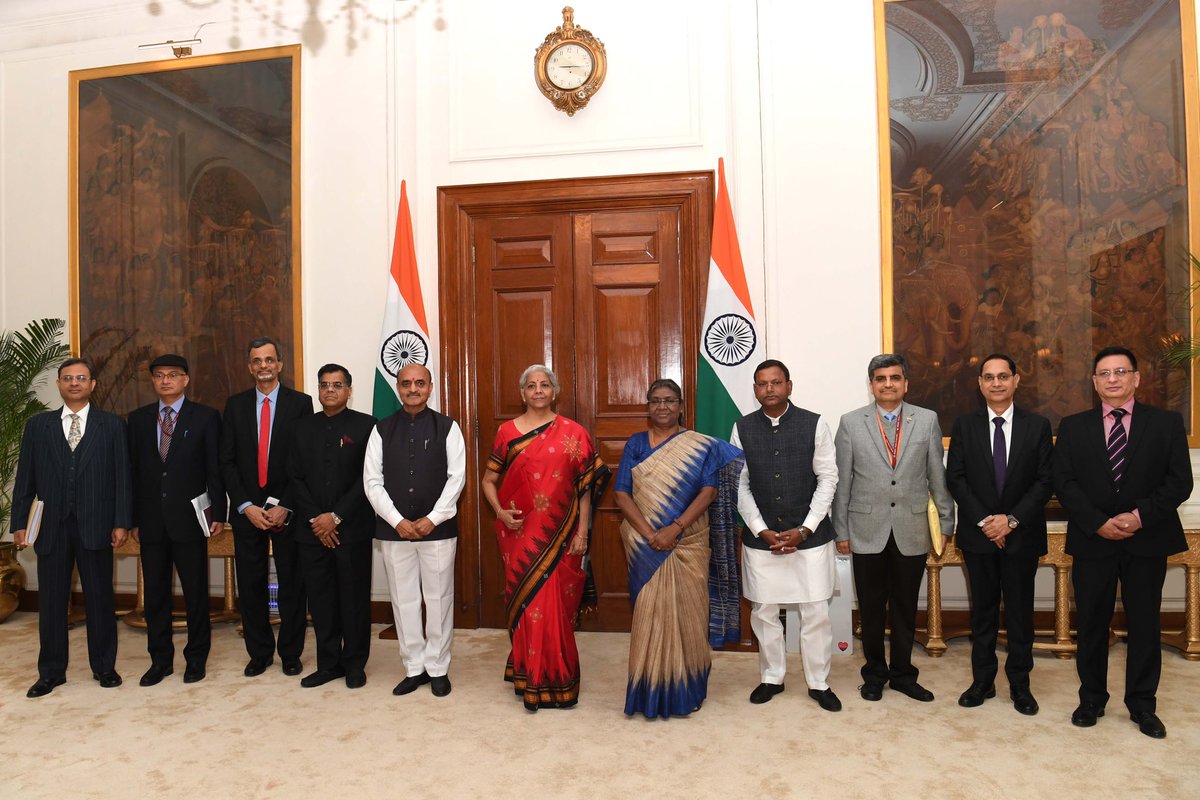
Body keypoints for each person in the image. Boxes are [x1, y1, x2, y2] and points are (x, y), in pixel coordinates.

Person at [1053, 346, 1191, 739]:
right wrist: (1097, 522)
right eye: (1104, 373)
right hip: (1093, 541)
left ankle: (1143, 705)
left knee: (1145, 624)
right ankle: (1091, 699)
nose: (1112, 379)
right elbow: (1063, 482)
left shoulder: (1165, 424)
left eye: (1120, 371)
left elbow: (1179, 482)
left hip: (1146, 540)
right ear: (1094, 382)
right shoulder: (1073, 426)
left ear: (1136, 378)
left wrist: (1139, 516)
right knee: (1092, 624)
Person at [481, 364, 609, 711]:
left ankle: (558, 678)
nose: (538, 390)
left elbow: (585, 488)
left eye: (544, 385)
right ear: (522, 393)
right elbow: (488, 481)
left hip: (564, 535)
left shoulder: (573, 432)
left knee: (557, 608)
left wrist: (582, 532)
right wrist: (500, 512)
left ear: (554, 392)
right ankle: (530, 676)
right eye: (531, 386)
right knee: (529, 605)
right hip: (521, 535)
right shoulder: (507, 432)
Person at [613, 378, 743, 719]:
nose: (663, 407)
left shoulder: (699, 446)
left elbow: (708, 491)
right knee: (649, 615)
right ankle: (648, 691)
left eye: (669, 400)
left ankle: (688, 689)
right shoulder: (636, 444)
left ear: (681, 406)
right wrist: (651, 534)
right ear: (648, 406)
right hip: (645, 545)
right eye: (656, 401)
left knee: (690, 614)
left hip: (689, 541)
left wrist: (675, 528)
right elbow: (622, 493)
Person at [832, 353, 954, 702]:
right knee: (871, 609)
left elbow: (937, 475)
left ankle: (903, 674)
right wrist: (841, 530)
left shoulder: (926, 420)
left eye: (895, 378)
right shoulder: (851, 423)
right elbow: (843, 482)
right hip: (865, 528)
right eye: (881, 378)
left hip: (912, 528)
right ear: (871, 385)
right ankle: (874, 675)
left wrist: (946, 521)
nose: (888, 384)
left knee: (905, 606)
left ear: (906, 383)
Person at [11, 357, 132, 697]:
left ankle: (104, 667)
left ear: (93, 385)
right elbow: (25, 479)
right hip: (52, 528)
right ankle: (51, 672)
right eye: (68, 378)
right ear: (59, 384)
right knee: (51, 601)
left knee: (100, 599)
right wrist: (19, 523)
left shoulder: (112, 426)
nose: (74, 383)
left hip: (97, 525)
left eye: (81, 378)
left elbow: (123, 477)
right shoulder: (38, 426)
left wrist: (122, 522)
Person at [730, 359, 842, 712]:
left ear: (789, 386)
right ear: (755, 389)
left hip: (810, 536)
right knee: (764, 611)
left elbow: (828, 478)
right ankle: (772, 677)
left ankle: (818, 682)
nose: (769, 389)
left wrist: (806, 528)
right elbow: (739, 484)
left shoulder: (814, 423)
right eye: (762, 384)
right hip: (761, 538)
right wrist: (760, 528)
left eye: (776, 382)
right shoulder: (741, 428)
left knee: (815, 612)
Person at [945, 353, 1052, 715]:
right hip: (979, 536)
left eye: (1003, 376)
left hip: (1022, 535)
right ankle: (983, 682)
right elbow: (956, 478)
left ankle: (1021, 685)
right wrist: (987, 521)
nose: (996, 383)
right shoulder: (965, 426)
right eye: (989, 377)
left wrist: (1011, 520)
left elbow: (1045, 481)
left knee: (1021, 614)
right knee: (983, 613)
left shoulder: (1037, 426)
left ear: (1016, 380)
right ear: (980, 384)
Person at [364, 363, 465, 697]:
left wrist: (433, 518)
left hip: (438, 530)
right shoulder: (381, 429)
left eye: (419, 383)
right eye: (406, 383)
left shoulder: (448, 427)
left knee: (438, 599)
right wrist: (397, 520)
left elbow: (457, 478)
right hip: (395, 531)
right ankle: (413, 667)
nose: (413, 388)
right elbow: (372, 481)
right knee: (403, 600)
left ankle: (437, 667)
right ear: (398, 387)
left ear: (430, 387)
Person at [128, 353, 226, 686]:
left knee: (196, 593)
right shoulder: (138, 419)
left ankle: (196, 659)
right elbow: (133, 473)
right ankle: (160, 661)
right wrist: (133, 519)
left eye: (172, 374)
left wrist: (218, 513)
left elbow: (214, 468)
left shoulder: (206, 417)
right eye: (159, 375)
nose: (165, 380)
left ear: (185, 379)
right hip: (151, 522)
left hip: (190, 520)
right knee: (155, 596)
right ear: (153, 381)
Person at [219, 336, 313, 678]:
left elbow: (303, 460)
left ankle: (290, 653)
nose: (264, 366)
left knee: (292, 583)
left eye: (269, 359)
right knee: (251, 584)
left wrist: (286, 505)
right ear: (250, 367)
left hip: (287, 510)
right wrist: (245, 505)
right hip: (248, 512)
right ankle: (259, 654)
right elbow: (227, 461)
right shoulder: (235, 405)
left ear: (280, 364)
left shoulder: (300, 404)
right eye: (257, 361)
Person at [287, 364, 377, 689]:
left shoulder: (367, 426)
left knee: (353, 600)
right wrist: (317, 519)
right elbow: (294, 477)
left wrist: (335, 517)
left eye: (337, 385)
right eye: (324, 384)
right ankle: (328, 664)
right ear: (318, 389)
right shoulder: (300, 428)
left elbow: (368, 478)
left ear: (349, 391)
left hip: (352, 529)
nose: (330, 390)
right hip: (312, 531)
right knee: (321, 600)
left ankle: (354, 664)